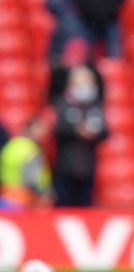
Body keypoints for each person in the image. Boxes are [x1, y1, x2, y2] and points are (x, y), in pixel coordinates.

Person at [52, 65, 107, 207]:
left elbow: (105, 132)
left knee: (86, 205)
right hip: (65, 169)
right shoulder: (62, 104)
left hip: (88, 169)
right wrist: (76, 131)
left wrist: (95, 133)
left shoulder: (95, 107)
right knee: (64, 206)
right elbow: (56, 130)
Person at [0, 118, 53, 209]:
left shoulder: (12, 145)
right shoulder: (30, 149)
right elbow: (33, 178)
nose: (44, 134)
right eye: (41, 129)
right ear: (31, 129)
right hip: (24, 200)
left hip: (5, 197)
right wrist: (44, 194)